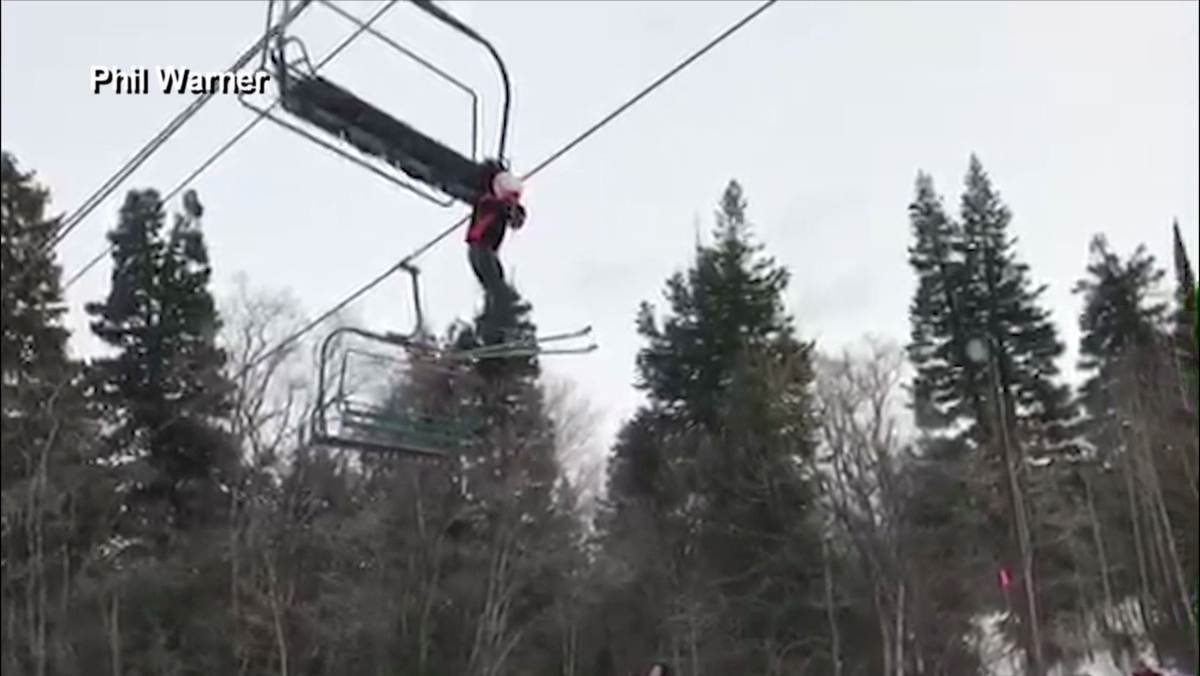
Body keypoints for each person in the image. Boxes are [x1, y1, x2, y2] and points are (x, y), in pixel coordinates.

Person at [465, 160, 526, 345]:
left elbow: (516, 221)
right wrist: (509, 207)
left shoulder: (502, 205)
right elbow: (492, 211)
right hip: (480, 249)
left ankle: (492, 330)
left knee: (496, 290)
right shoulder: (488, 201)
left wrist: (515, 211)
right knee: (498, 291)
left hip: (486, 251)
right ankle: (495, 332)